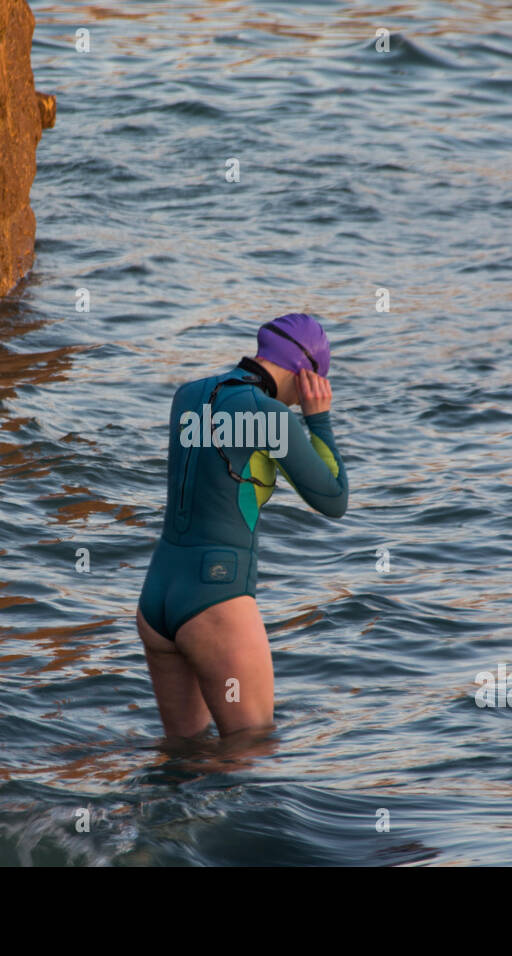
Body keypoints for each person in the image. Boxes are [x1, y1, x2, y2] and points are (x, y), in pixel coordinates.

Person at [136, 313, 348, 739]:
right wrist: (318, 419)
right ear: (308, 375)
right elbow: (333, 498)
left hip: (157, 598)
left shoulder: (187, 395)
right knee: (252, 751)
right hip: (216, 600)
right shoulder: (272, 418)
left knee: (181, 758)